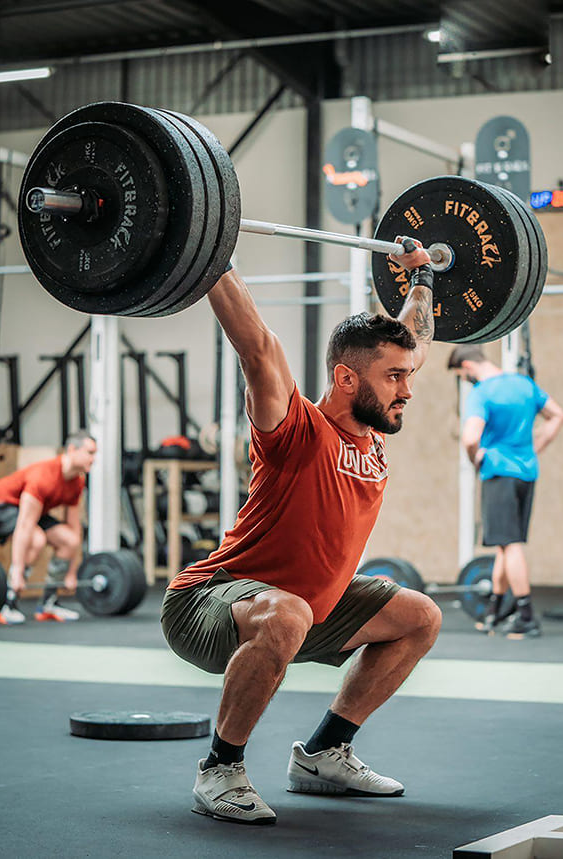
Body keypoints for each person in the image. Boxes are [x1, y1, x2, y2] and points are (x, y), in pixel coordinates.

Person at [161, 238, 442, 826]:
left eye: (405, 375)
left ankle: (321, 756)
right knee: (286, 612)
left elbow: (415, 337)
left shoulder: (373, 433)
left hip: (305, 609)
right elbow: (258, 347)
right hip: (210, 601)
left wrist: (422, 278)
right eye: (394, 378)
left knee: (419, 615)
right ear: (346, 378)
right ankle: (220, 769)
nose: (408, 389)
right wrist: (208, 250)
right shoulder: (296, 430)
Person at [448, 344, 563, 639]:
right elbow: (557, 416)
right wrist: (534, 449)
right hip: (526, 473)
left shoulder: (482, 393)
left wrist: (476, 456)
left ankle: (526, 617)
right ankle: (496, 612)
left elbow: (470, 437)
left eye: (463, 377)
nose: (466, 382)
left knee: (510, 544)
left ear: (468, 368)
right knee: (504, 544)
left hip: (499, 472)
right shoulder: (525, 385)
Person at [0, 430, 97, 625]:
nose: (93, 459)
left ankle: (48, 603)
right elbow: (25, 525)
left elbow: (74, 528)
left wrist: (71, 572)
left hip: (30, 510)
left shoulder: (76, 482)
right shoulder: (44, 477)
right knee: (36, 539)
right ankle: (9, 603)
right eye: (89, 452)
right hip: (4, 504)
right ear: (72, 449)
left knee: (68, 540)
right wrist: (18, 569)